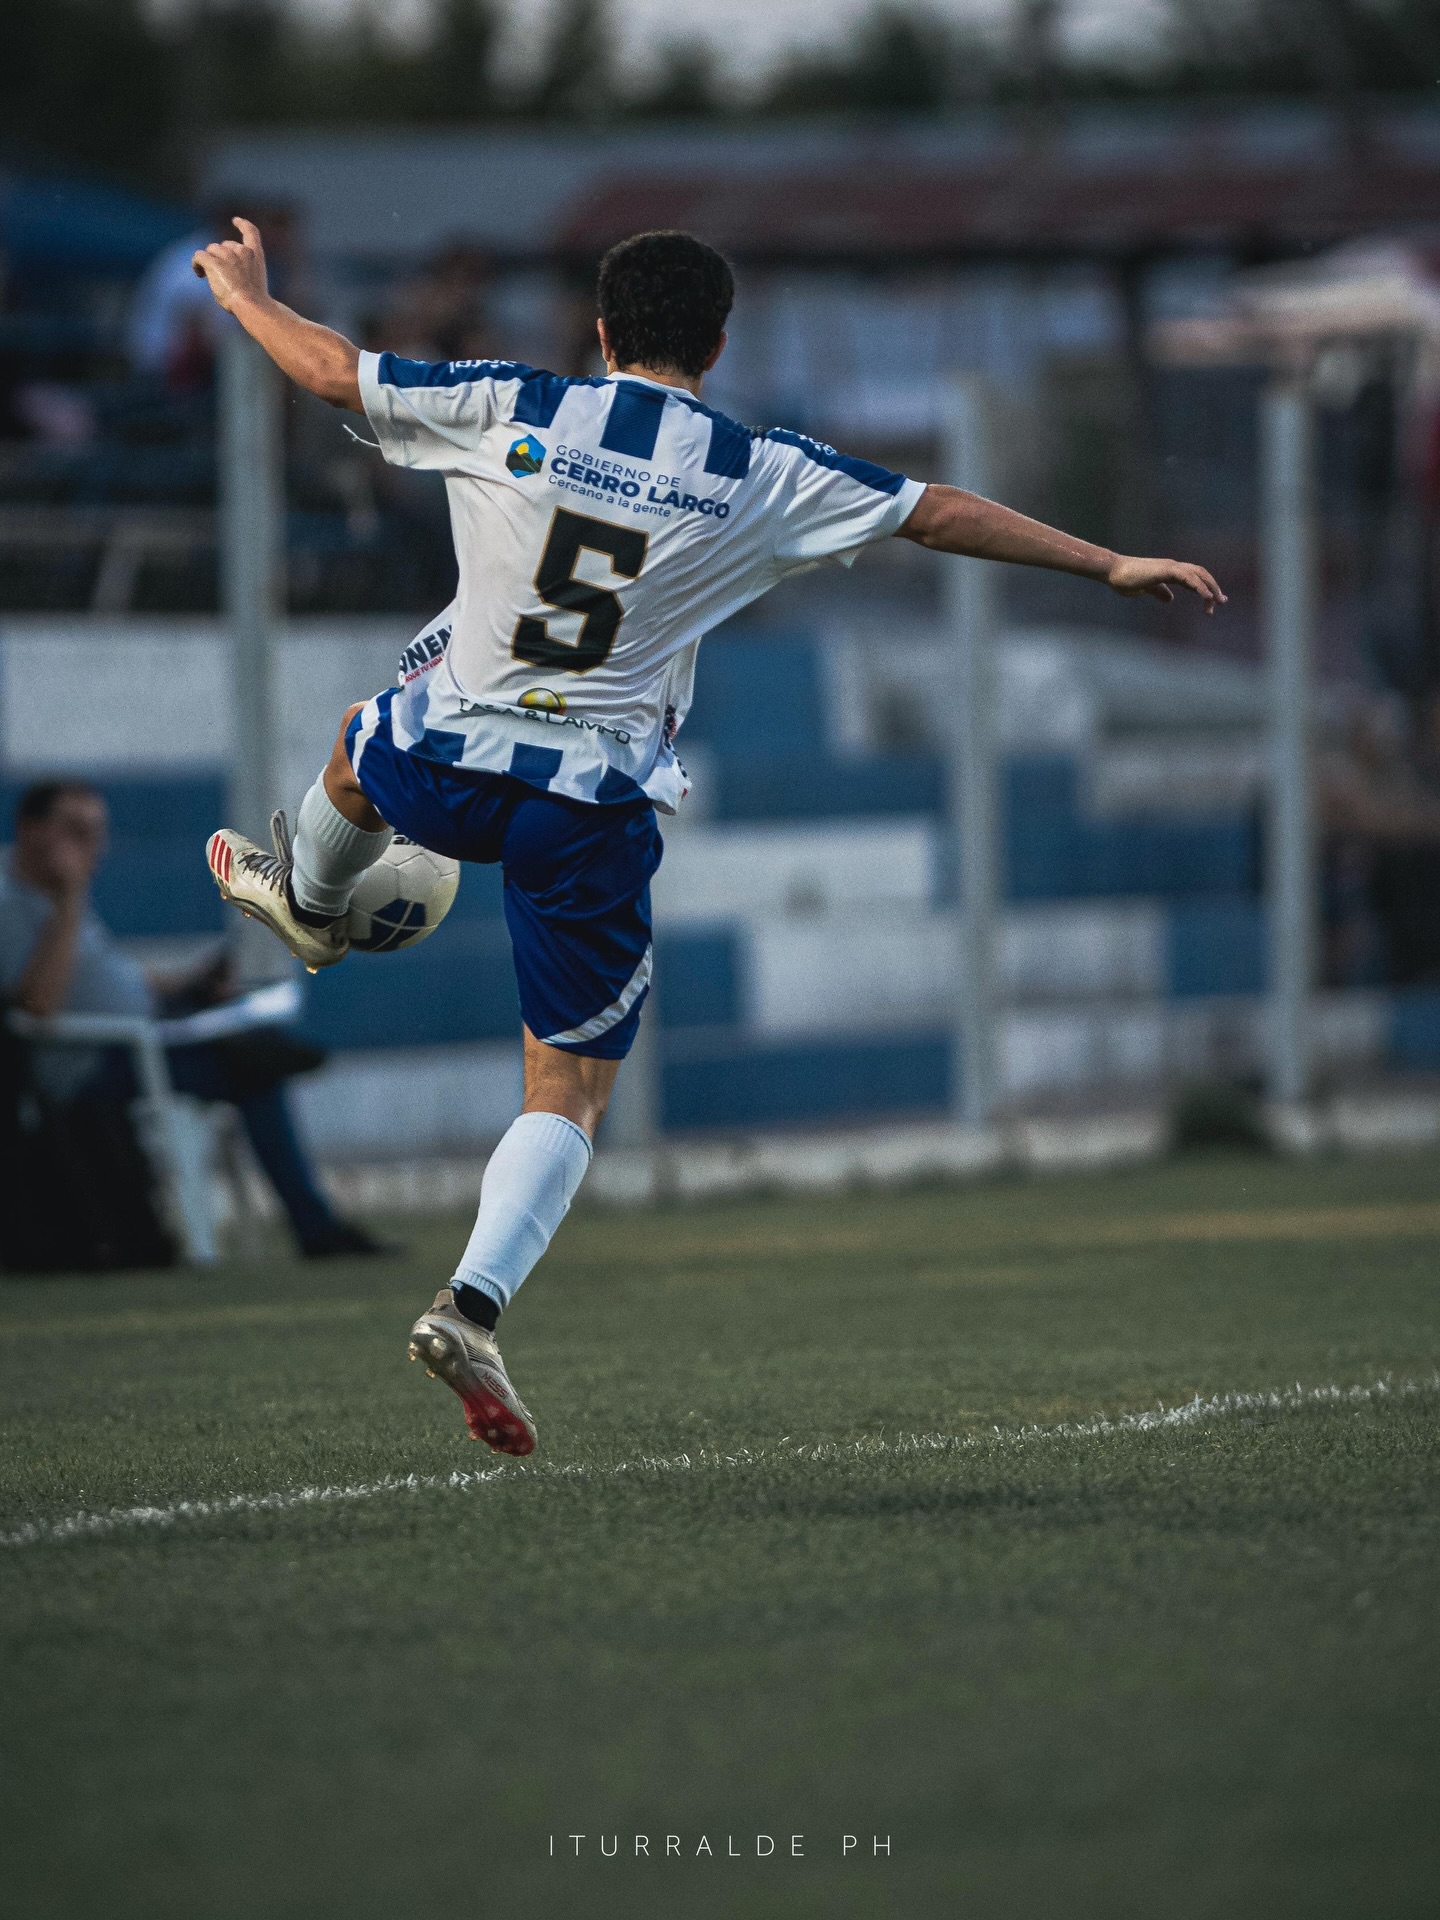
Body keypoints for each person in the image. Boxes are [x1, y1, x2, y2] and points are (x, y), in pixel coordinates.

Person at [190, 219, 1226, 1456]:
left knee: (365, 742)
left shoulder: (511, 400)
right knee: (565, 1089)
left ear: (602, 329)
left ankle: (309, 897)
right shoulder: (760, 469)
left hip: (448, 758)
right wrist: (1106, 562)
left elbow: (326, 369)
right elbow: (938, 512)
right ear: (720, 345)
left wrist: (250, 295)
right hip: (586, 808)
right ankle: (472, 1305)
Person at [0, 780, 384, 1262]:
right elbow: (36, 1005)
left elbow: (106, 978)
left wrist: (188, 983)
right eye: (73, 830)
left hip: (149, 1032)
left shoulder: (58, 894)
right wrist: (71, 897)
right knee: (254, 1073)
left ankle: (262, 1050)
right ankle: (317, 1227)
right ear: (29, 830)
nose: (89, 845)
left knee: (247, 1051)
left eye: (97, 831)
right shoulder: (17, 901)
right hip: (90, 1064)